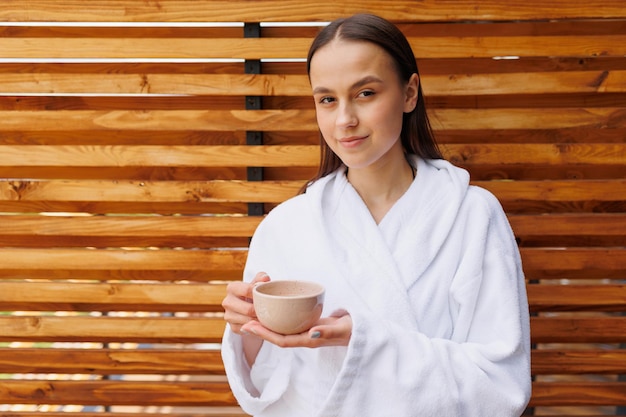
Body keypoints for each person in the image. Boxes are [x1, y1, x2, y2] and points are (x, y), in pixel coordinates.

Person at [221, 13, 531, 417]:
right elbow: (270, 385)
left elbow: (501, 386)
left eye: (365, 93)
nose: (345, 119)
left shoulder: (473, 215)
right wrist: (246, 331)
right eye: (327, 99)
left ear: (409, 93)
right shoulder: (286, 226)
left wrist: (368, 343)